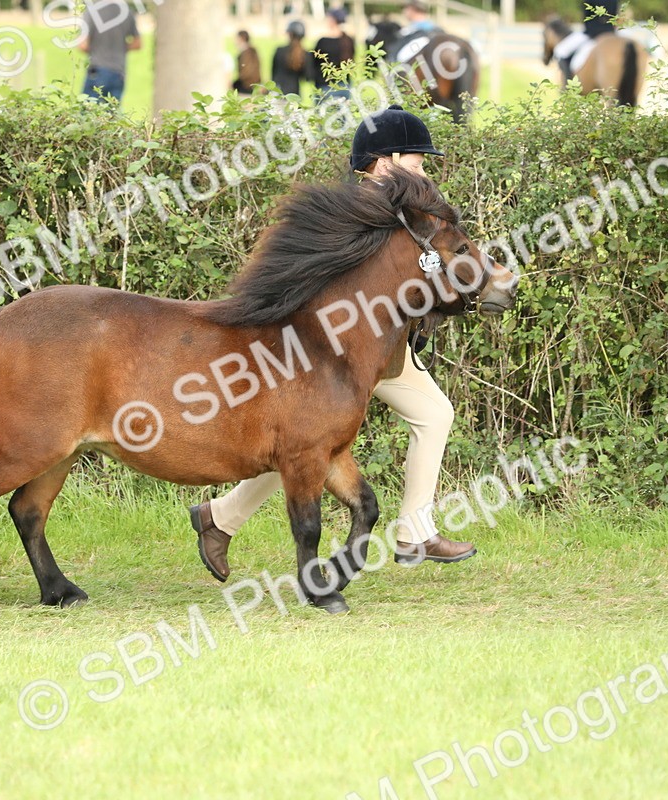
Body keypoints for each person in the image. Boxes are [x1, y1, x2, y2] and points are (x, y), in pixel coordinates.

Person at [191, 104, 481, 583]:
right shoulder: (366, 212)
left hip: (376, 356)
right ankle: (412, 531)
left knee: (312, 444)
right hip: (329, 357)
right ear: (382, 163)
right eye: (416, 161)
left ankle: (219, 519)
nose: (424, 170)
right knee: (310, 443)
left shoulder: (402, 214)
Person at [78, 0, 141, 103]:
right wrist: (120, 48)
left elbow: (83, 45)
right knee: (112, 115)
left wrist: (96, 48)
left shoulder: (92, 11)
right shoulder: (126, 12)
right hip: (118, 72)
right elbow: (137, 43)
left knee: (88, 113)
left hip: (97, 71)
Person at [312, 7, 354, 93]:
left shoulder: (323, 42)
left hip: (325, 87)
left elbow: (314, 62)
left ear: (333, 20)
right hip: (344, 86)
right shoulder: (349, 41)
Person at [272, 20, 313, 96]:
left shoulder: (280, 51)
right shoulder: (305, 54)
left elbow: (273, 74)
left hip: (277, 91)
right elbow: (308, 77)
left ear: (290, 34)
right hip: (294, 94)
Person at [232, 29, 260, 95]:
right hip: (253, 85)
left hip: (246, 86)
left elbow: (246, 71)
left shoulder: (246, 53)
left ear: (242, 38)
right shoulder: (252, 51)